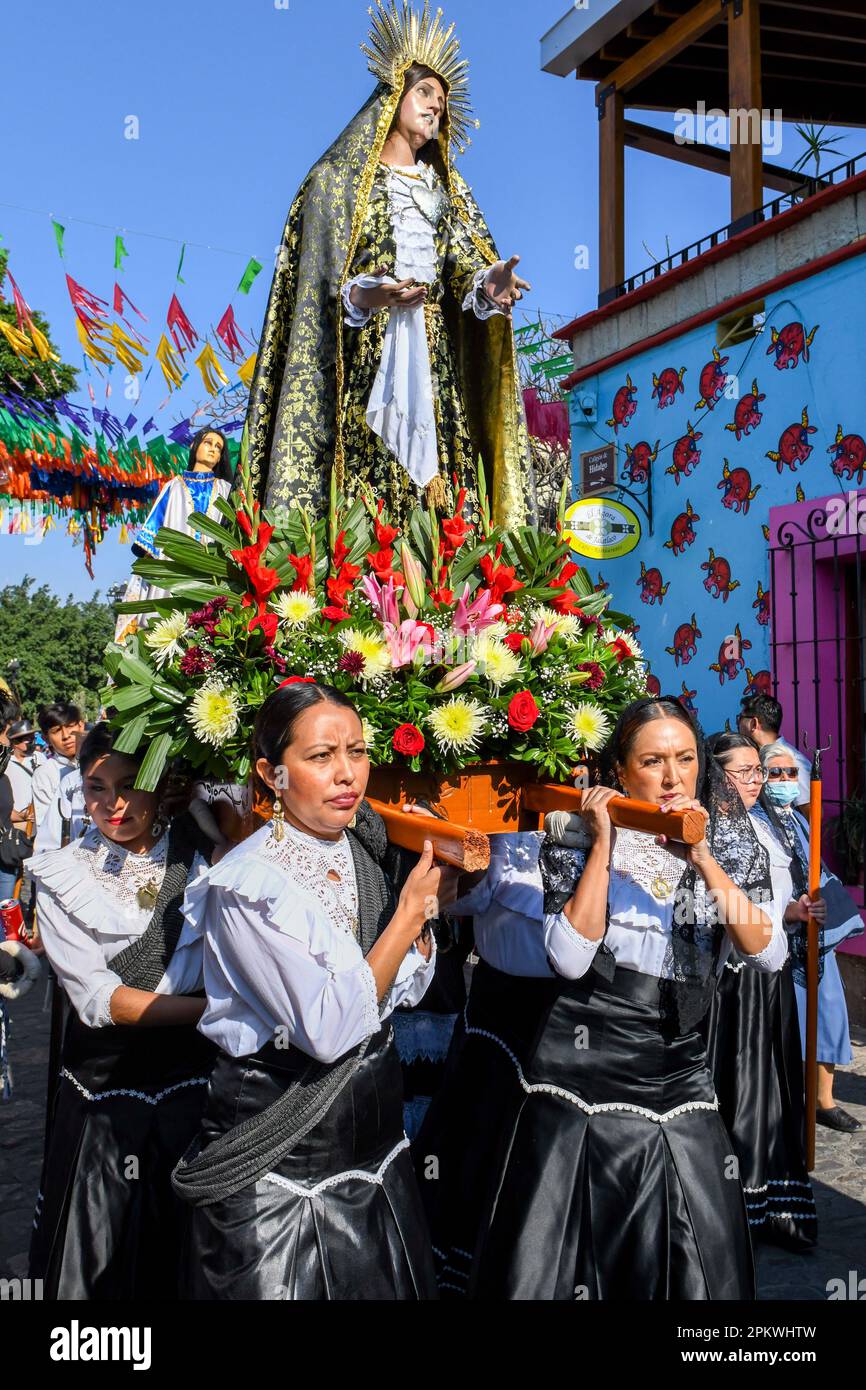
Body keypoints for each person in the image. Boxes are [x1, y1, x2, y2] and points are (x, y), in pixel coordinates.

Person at [416, 696, 787, 1301]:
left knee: (690, 1257)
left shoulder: (732, 842)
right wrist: (603, 845)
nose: (672, 778)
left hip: (677, 1073)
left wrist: (703, 859)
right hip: (577, 1070)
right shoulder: (577, 837)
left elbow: (765, 951)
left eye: (686, 759)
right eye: (653, 761)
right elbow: (569, 956)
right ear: (621, 770)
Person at [173, 682, 456, 1300]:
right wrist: (408, 920)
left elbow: (393, 994)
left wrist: (424, 929)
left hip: (374, 1158)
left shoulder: (359, 853)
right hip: (281, 1169)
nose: (346, 774)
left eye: (356, 751)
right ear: (271, 774)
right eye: (321, 756)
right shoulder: (246, 886)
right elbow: (330, 1029)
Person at [240, 0, 533, 526]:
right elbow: (323, 285)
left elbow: (465, 263)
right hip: (365, 358)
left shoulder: (447, 192)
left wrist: (491, 283)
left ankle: (441, 597)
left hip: (434, 357)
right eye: (424, 93)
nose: (435, 107)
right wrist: (373, 293)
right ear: (393, 95)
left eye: (441, 102)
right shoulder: (337, 183)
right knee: (370, 479)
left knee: (440, 488)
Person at [25, 723, 218, 1299]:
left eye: (132, 785)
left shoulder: (203, 858)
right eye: (96, 787)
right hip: (108, 1102)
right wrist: (214, 1011)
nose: (113, 804)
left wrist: (208, 825)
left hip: (196, 1093)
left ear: (163, 787)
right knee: (109, 1257)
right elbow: (100, 1000)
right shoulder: (62, 876)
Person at [703, 733, 817, 1250]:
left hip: (773, 975)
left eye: (759, 772)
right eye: (742, 772)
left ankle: (780, 1202)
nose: (755, 782)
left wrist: (797, 910)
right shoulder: (716, 832)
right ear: (717, 776)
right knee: (744, 1083)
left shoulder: (771, 824)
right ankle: (741, 1204)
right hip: (737, 981)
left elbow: (778, 890)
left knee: (778, 1083)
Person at [759, 740, 862, 1134]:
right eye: (776, 773)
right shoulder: (759, 821)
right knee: (789, 1021)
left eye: (791, 774)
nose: (785, 780)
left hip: (816, 935)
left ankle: (824, 1100)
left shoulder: (801, 820)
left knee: (829, 1012)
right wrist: (790, 911)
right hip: (783, 935)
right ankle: (785, 1100)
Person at [115, 426, 234, 643]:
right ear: (194, 446)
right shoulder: (174, 486)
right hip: (171, 570)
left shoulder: (227, 490)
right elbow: (151, 533)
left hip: (211, 573)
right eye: (208, 443)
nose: (213, 450)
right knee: (162, 629)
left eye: (218, 447)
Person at [738, 694, 809, 808]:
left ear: (753, 724)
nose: (738, 724)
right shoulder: (751, 755)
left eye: (740, 718)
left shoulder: (793, 760)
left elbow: (812, 812)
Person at [31, 703, 85, 830]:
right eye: (56, 731)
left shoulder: (102, 764)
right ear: (46, 738)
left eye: (70, 726)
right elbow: (46, 826)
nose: (66, 736)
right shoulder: (44, 774)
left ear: (81, 725)